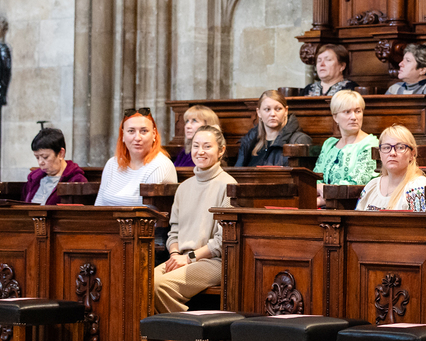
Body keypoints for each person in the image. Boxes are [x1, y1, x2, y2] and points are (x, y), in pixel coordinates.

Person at [153, 125, 236, 312]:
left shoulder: (228, 186)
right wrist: (175, 255)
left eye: (207, 146)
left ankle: (187, 327)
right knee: (140, 283)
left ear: (221, 150)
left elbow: (223, 240)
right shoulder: (184, 187)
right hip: (182, 257)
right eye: (196, 146)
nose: (200, 151)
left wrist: (189, 258)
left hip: (213, 261)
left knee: (158, 286)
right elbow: (174, 231)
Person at [95, 109, 177, 206]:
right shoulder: (112, 164)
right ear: (123, 135)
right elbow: (99, 205)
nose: (137, 138)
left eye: (144, 131)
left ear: (154, 134)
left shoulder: (161, 166)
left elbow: (151, 212)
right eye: (131, 131)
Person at [314, 90, 378, 207]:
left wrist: (321, 200)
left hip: (352, 207)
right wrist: (318, 188)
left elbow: (356, 184)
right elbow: (316, 177)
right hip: (323, 205)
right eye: (347, 112)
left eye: (358, 111)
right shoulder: (329, 144)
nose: (353, 117)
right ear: (335, 117)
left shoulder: (370, 144)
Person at [355, 125, 426, 211]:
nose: (392, 153)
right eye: (386, 147)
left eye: (400, 147)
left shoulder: (419, 187)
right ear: (380, 154)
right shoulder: (371, 186)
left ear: (412, 154)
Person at [234, 91, 312, 167]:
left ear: (286, 111)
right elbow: (238, 171)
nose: (272, 114)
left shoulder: (299, 140)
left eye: (278, 109)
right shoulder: (250, 141)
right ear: (259, 112)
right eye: (267, 109)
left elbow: (301, 175)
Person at [21, 127, 87, 205]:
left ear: (61, 153)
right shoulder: (34, 178)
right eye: (37, 157)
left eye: (45, 157)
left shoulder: (77, 181)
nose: (40, 162)